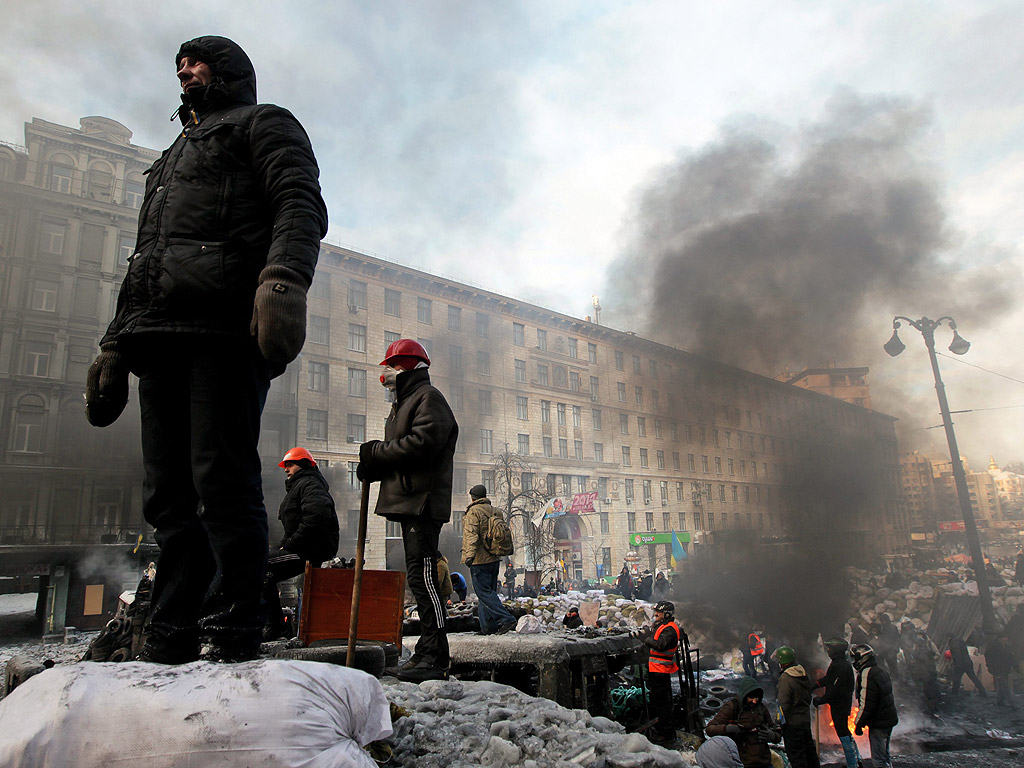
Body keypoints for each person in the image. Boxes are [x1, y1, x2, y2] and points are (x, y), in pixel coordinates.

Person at [85, 35, 328, 664]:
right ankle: (171, 626)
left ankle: (235, 622)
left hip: (222, 329)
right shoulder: (168, 159)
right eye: (178, 66)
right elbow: (145, 258)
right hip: (157, 333)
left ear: (226, 72)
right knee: (165, 494)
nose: (184, 72)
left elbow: (298, 203)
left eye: (194, 63)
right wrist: (113, 344)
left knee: (221, 479)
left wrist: (282, 281)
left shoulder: (263, 124)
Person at [358, 339, 458, 683]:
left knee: (425, 576)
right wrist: (374, 465)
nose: (385, 375)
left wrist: (377, 453)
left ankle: (435, 654)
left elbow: (422, 445)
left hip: (422, 501)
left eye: (390, 367)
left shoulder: (429, 399)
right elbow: (402, 454)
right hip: (409, 499)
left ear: (406, 366)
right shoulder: (405, 404)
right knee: (419, 575)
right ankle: (429, 653)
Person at [264, 447, 339, 640]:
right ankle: (274, 627)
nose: (286, 469)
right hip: (302, 547)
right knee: (265, 574)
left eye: (291, 464)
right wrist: (282, 545)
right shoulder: (299, 486)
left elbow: (317, 515)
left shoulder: (310, 484)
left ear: (304, 465)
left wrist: (289, 544)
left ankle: (276, 629)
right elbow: (293, 529)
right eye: (285, 465)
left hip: (310, 550)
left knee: (259, 565)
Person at [461, 485, 517, 635]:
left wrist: (469, 556)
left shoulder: (473, 512)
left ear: (473, 497)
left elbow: (472, 536)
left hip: (480, 560)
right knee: (487, 593)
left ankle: (507, 619)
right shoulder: (495, 511)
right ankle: (487, 628)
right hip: (494, 557)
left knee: (483, 592)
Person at [705, 676, 781, 768]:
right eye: (751, 697)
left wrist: (772, 735)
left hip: (764, 762)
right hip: (742, 762)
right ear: (744, 695)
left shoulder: (761, 708)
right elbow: (710, 729)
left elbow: (777, 732)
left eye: (757, 697)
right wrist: (727, 729)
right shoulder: (732, 707)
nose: (754, 701)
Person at [636, 600, 682, 745]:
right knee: (658, 701)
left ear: (667, 614)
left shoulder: (670, 629)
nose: (656, 614)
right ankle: (662, 726)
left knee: (663, 703)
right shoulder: (662, 626)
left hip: (661, 670)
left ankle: (666, 733)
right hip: (656, 670)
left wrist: (645, 638)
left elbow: (660, 645)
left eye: (659, 613)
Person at [813, 638, 859, 768]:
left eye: (830, 648)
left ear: (836, 650)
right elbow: (829, 679)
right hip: (839, 703)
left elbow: (835, 690)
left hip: (840, 704)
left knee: (843, 731)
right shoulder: (837, 663)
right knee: (843, 731)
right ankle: (856, 759)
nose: (828, 650)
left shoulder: (841, 666)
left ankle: (852, 762)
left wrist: (822, 700)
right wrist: (815, 685)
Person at [851, 644, 898, 768]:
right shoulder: (880, 670)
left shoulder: (867, 673)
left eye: (855, 658)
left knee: (878, 760)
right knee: (885, 757)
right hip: (888, 719)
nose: (854, 662)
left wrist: (859, 724)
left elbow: (867, 702)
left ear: (862, 658)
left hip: (879, 723)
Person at [773, 646, 820, 768]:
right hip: (804, 720)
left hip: (792, 724)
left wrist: (777, 722)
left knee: (796, 756)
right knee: (810, 753)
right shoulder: (803, 674)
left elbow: (783, 704)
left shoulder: (786, 678)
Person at [986, 634, 1017, 709]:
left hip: (1006, 668)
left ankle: (1000, 701)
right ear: (1000, 639)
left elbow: (1011, 656)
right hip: (998, 669)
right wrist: (990, 666)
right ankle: (1012, 703)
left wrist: (1013, 665)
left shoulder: (1007, 646)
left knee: (1001, 685)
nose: (1005, 639)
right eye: (1004, 638)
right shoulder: (994, 646)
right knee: (1005, 685)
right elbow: (988, 656)